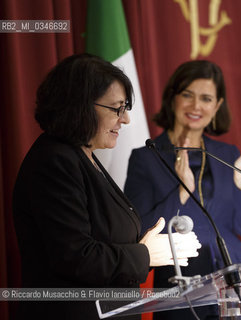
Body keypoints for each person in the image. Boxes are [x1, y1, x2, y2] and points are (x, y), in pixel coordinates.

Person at [12, 53, 201, 320]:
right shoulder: (54, 161)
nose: (125, 120)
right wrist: (144, 254)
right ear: (80, 106)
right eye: (117, 108)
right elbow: (76, 257)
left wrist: (146, 245)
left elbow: (102, 237)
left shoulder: (84, 156)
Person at [124, 60, 241, 319]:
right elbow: (140, 230)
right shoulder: (146, 157)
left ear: (217, 106)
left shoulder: (228, 154)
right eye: (187, 95)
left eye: (206, 99)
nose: (196, 106)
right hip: (180, 284)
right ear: (173, 98)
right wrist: (182, 191)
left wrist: (240, 178)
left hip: (234, 280)